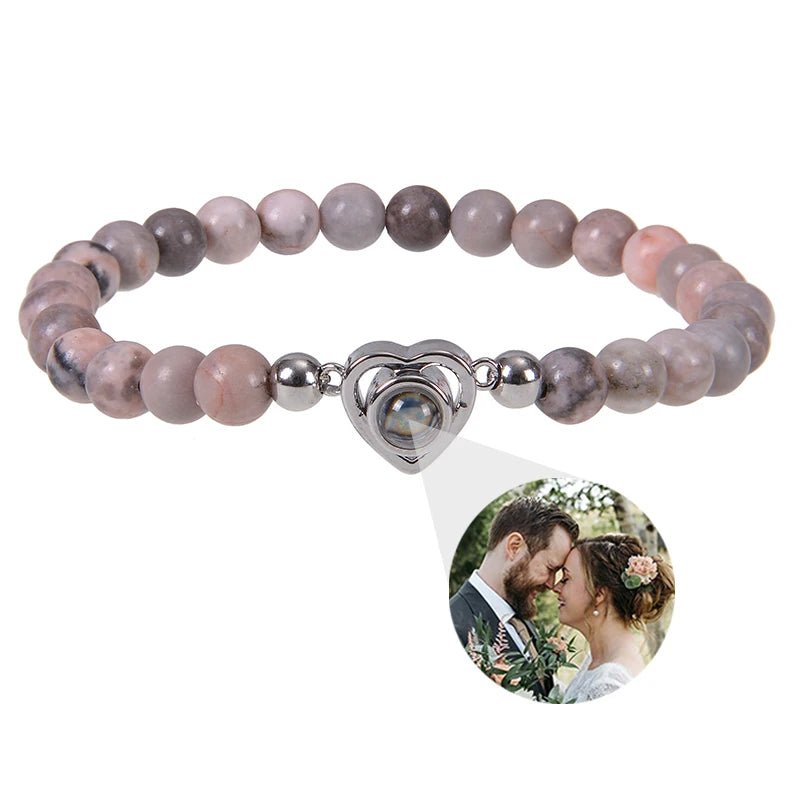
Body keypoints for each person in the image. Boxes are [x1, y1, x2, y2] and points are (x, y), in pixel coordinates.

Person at [450, 496, 579, 697]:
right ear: (514, 547)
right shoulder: (455, 628)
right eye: (550, 568)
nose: (551, 584)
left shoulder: (521, 620)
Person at [554, 534, 675, 703]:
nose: (556, 587)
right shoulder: (596, 660)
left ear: (599, 594)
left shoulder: (609, 683)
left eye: (566, 579)